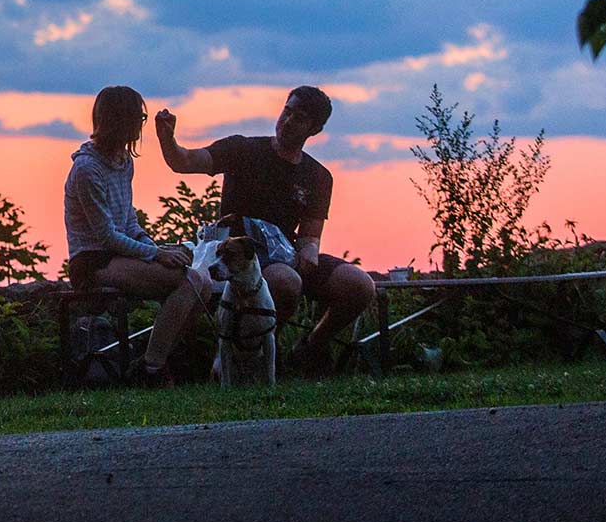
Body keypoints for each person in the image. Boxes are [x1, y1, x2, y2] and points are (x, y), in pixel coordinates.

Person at [152, 86, 377, 376]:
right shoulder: (243, 149)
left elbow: (310, 236)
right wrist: (167, 138)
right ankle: (253, 355)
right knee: (286, 281)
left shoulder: (318, 176)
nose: (288, 121)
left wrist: (309, 253)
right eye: (287, 111)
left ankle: (309, 348)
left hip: (287, 252)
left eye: (300, 118)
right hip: (240, 253)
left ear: (315, 129)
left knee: (359, 285)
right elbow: (183, 161)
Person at [63, 84, 213, 386]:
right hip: (93, 262)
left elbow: (128, 221)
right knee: (190, 282)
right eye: (139, 118)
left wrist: (153, 245)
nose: (141, 125)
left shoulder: (123, 162)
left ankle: (155, 357)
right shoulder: (87, 170)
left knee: (202, 283)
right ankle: (152, 367)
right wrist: (157, 254)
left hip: (118, 255)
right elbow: (106, 237)